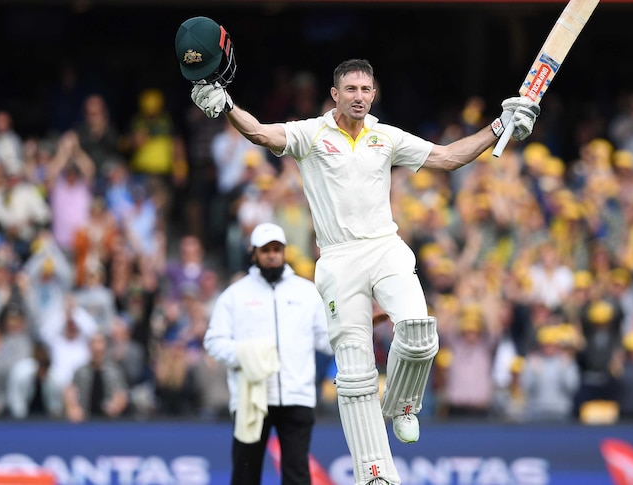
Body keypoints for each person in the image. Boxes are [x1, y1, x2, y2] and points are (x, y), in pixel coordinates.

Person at [178, 16, 539, 485]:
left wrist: (499, 125)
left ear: (374, 93)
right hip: (338, 258)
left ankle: (405, 403)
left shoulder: (385, 137)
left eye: (366, 89)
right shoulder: (312, 134)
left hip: (385, 248)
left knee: (418, 331)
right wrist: (227, 106)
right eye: (351, 88)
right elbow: (262, 133)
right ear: (335, 94)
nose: (359, 96)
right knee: (353, 374)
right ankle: (376, 473)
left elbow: (448, 157)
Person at [203, 222, 332, 485]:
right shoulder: (235, 295)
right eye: (265, 250)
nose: (272, 255)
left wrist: (352, 329)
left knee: (297, 474)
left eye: (276, 249)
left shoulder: (307, 292)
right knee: (245, 473)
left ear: (284, 251)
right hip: (252, 397)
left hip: (297, 394)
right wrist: (249, 356)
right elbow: (214, 341)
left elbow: (325, 341)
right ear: (254, 253)